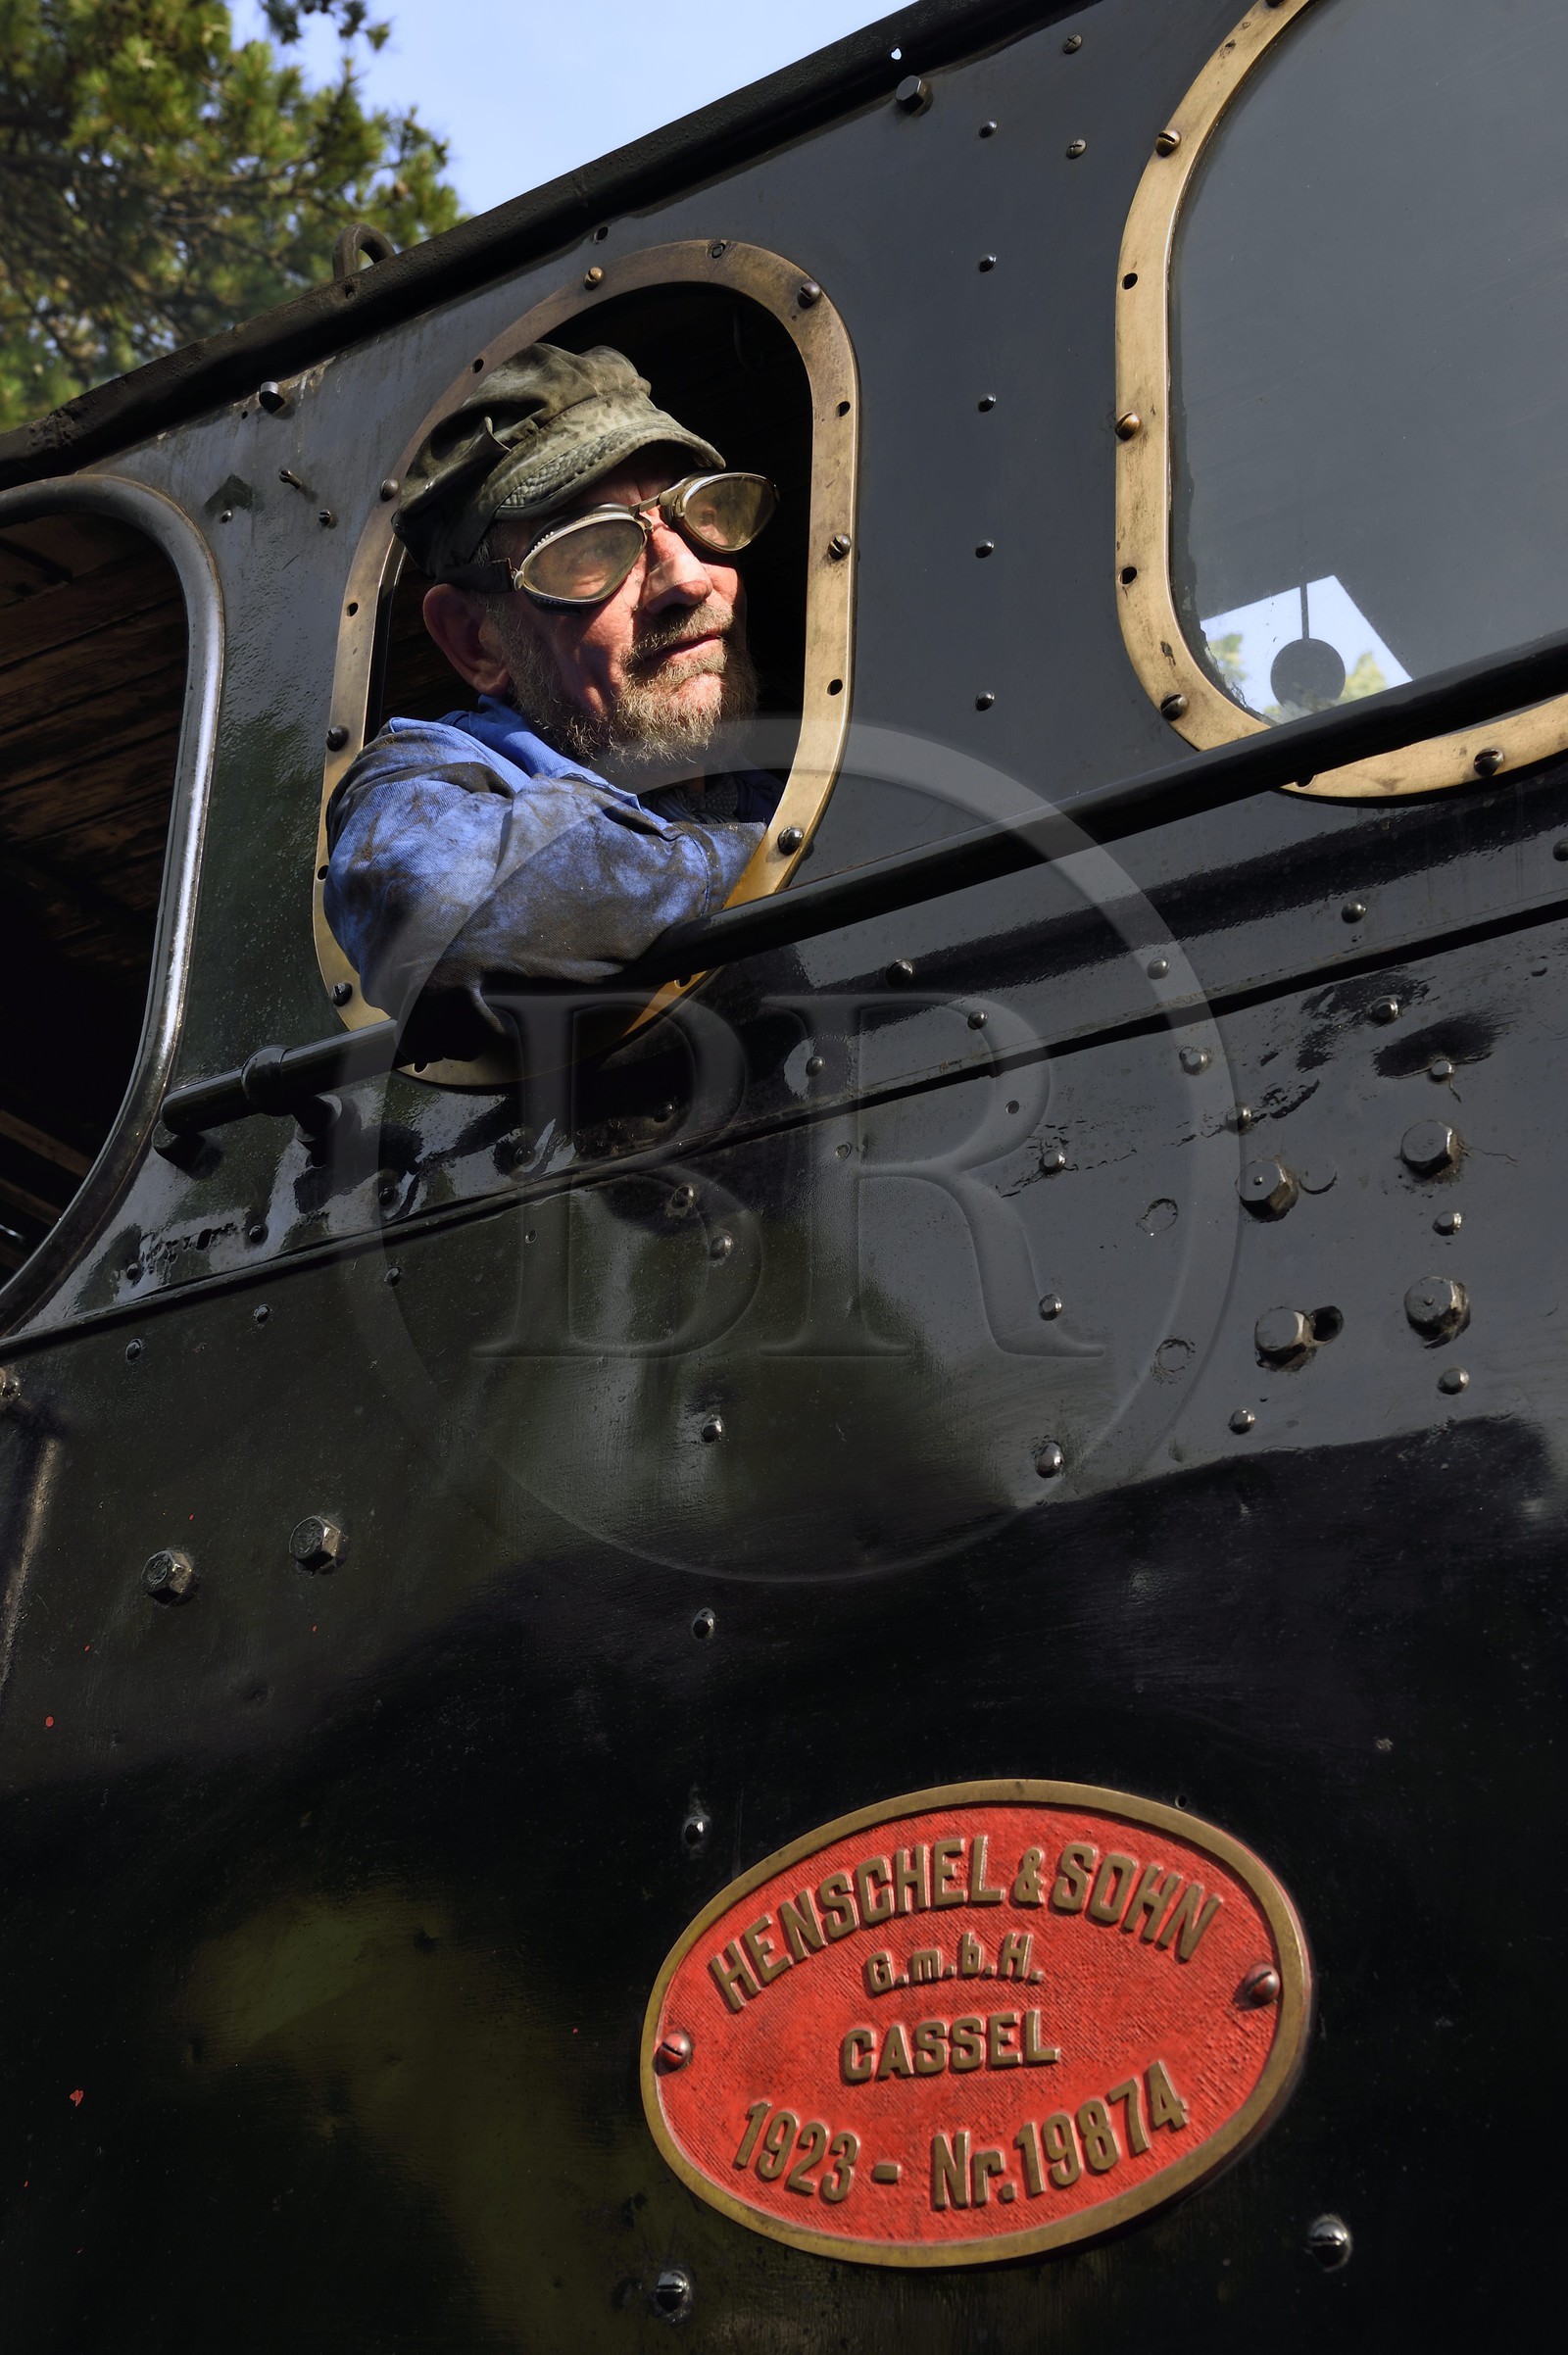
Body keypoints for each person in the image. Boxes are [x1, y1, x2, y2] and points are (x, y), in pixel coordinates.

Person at [323, 341, 782, 1051]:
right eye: (591, 550)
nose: (687, 578)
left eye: (699, 514)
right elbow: (438, 912)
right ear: (477, 640)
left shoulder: (784, 783)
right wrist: (798, 854)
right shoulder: (413, 782)